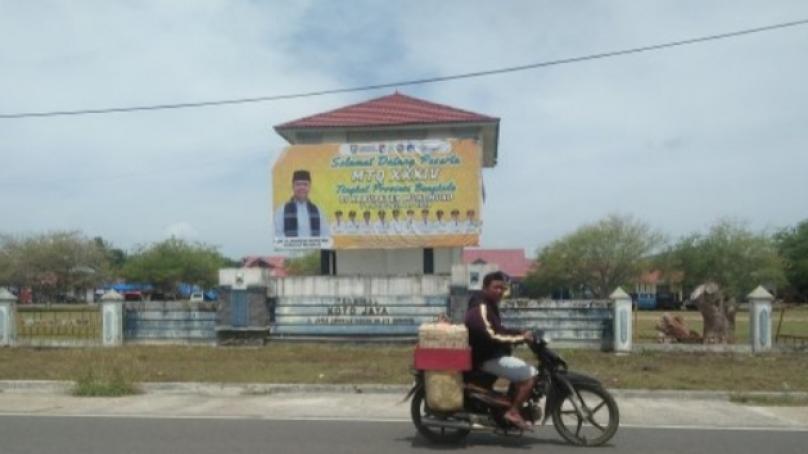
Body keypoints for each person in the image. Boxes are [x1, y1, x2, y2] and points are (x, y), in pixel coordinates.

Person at [464, 271, 537, 430]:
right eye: (496, 287)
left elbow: (500, 329)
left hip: (492, 354)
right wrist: (521, 339)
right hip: (486, 358)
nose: (500, 291)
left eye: (502, 289)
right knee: (530, 375)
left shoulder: (489, 305)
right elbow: (492, 335)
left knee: (521, 369)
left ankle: (511, 403)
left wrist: (519, 332)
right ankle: (514, 411)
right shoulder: (481, 307)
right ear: (485, 287)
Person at [273, 170, 330, 238]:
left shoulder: (318, 210)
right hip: (289, 249)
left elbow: (325, 235)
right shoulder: (281, 210)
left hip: (314, 248)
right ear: (293, 186)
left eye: (305, 184)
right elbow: (278, 235)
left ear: (309, 187)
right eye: (298, 184)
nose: (302, 187)